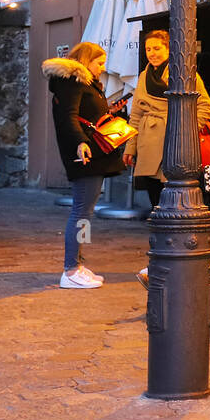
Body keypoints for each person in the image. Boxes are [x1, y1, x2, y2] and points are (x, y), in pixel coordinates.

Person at [43, 43, 126, 289]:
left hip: (90, 153)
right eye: (99, 63)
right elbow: (67, 117)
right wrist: (80, 142)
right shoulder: (73, 82)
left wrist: (109, 111)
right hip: (85, 154)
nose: (103, 68)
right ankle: (70, 270)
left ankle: (77, 264)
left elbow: (82, 115)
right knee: (81, 213)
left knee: (85, 214)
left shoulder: (83, 84)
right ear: (86, 61)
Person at [122, 30, 210, 209]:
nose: (152, 53)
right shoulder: (143, 76)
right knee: (154, 196)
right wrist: (130, 147)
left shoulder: (184, 72)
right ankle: (159, 231)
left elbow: (205, 105)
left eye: (156, 48)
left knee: (173, 196)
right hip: (148, 142)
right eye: (148, 49)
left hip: (174, 142)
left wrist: (186, 130)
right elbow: (136, 115)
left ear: (168, 48)